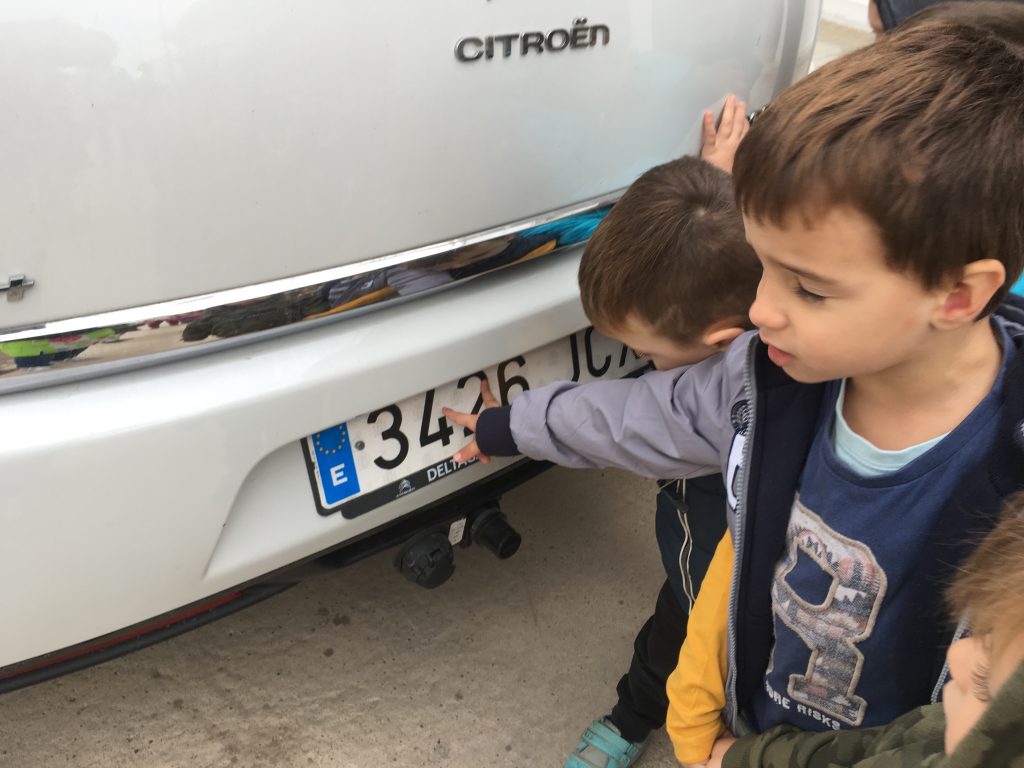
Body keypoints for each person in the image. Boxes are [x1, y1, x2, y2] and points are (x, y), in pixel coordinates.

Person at [445, 16, 1024, 765]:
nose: (759, 311)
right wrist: (511, 426)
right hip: (760, 718)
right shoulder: (764, 379)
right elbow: (629, 417)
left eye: (807, 287)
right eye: (762, 265)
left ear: (957, 295)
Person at [443, 97, 758, 768]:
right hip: (752, 562)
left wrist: (505, 425)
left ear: (719, 340)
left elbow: (612, 418)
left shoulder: (720, 396)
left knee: (687, 629)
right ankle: (645, 712)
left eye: (647, 352)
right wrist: (717, 187)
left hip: (718, 563)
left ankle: (638, 722)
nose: (642, 362)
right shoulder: (771, 274)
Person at [707, 493, 1024, 767]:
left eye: (983, 679)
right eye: (982, 636)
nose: (956, 653)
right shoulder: (940, 730)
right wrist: (744, 758)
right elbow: (869, 747)